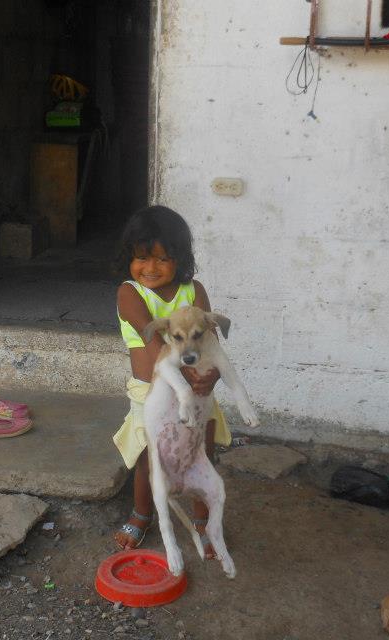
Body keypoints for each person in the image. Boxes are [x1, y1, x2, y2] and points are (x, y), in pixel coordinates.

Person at [111, 205, 231, 558]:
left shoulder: (193, 291)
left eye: (162, 259)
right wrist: (184, 381)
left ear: (180, 259)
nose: (150, 267)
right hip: (151, 393)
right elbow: (152, 341)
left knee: (201, 454)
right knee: (150, 458)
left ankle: (203, 520)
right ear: (129, 258)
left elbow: (211, 342)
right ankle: (142, 513)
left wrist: (212, 375)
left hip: (198, 392)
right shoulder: (130, 293)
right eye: (142, 258)